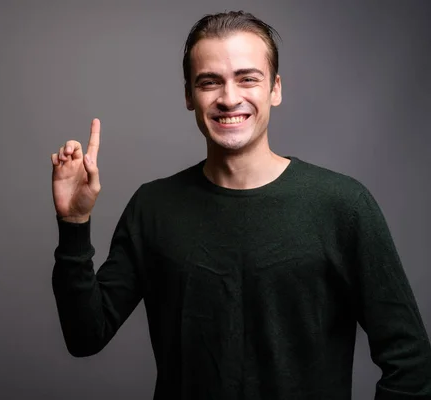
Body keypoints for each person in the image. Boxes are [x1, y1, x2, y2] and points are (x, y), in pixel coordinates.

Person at [50, 10, 431, 400]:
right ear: (188, 95)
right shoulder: (153, 207)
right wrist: (74, 223)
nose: (229, 98)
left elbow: (410, 363)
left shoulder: (343, 206)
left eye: (247, 78)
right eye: (210, 82)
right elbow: (86, 336)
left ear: (275, 89)